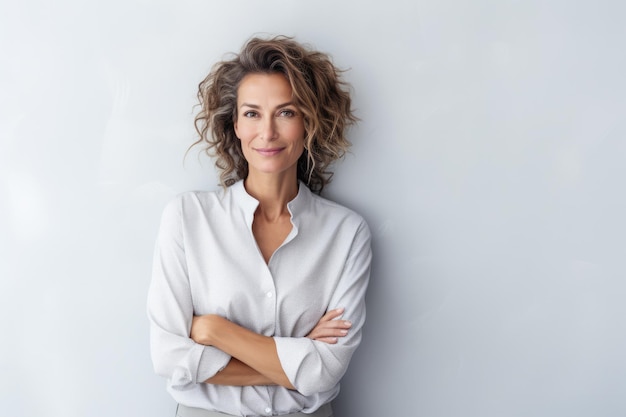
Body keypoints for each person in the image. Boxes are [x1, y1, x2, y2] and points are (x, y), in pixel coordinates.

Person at [147, 35, 372, 417]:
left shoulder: (346, 234)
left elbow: (327, 369)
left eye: (286, 112)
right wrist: (296, 364)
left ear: (309, 123)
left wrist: (216, 332)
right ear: (235, 124)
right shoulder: (187, 218)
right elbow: (168, 355)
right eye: (252, 113)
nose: (267, 133)